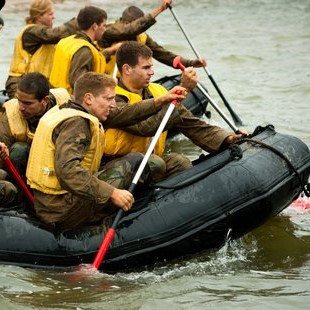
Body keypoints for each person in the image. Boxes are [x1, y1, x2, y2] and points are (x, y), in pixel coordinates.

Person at [26, 72, 185, 231]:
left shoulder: (64, 109)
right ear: (89, 98)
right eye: (109, 99)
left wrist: (160, 100)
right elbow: (68, 172)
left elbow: (127, 112)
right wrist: (112, 193)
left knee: (129, 162)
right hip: (61, 210)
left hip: (47, 203)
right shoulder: (77, 123)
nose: (113, 104)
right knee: (138, 161)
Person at [103, 41, 244, 181]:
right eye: (146, 68)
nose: (152, 72)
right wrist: (184, 89)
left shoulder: (158, 91)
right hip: (116, 165)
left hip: (148, 161)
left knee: (180, 163)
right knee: (154, 163)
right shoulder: (110, 99)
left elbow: (192, 124)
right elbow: (146, 127)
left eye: (151, 67)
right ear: (127, 69)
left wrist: (227, 138)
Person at [98, 4, 206, 76]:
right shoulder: (108, 31)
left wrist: (190, 62)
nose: (139, 30)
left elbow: (163, 54)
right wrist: (160, 9)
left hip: (131, 82)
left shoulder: (142, 37)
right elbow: (130, 30)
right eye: (137, 25)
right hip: (107, 80)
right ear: (126, 22)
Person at [0, 72, 71, 177]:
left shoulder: (66, 103)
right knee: (19, 150)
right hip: (25, 166)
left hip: (56, 159)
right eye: (19, 101)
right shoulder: (10, 116)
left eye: (28, 103)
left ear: (45, 100)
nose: (21, 107)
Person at [5, 0, 79, 99]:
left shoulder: (42, 35)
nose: (53, 17)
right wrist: (79, 21)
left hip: (38, 84)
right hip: (20, 82)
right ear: (38, 16)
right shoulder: (31, 32)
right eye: (50, 14)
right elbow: (56, 34)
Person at [49, 6, 120, 94]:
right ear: (94, 26)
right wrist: (107, 82)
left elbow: (93, 59)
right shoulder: (84, 50)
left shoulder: (67, 41)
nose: (105, 29)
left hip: (56, 96)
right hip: (71, 101)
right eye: (104, 25)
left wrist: (110, 51)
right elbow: (79, 83)